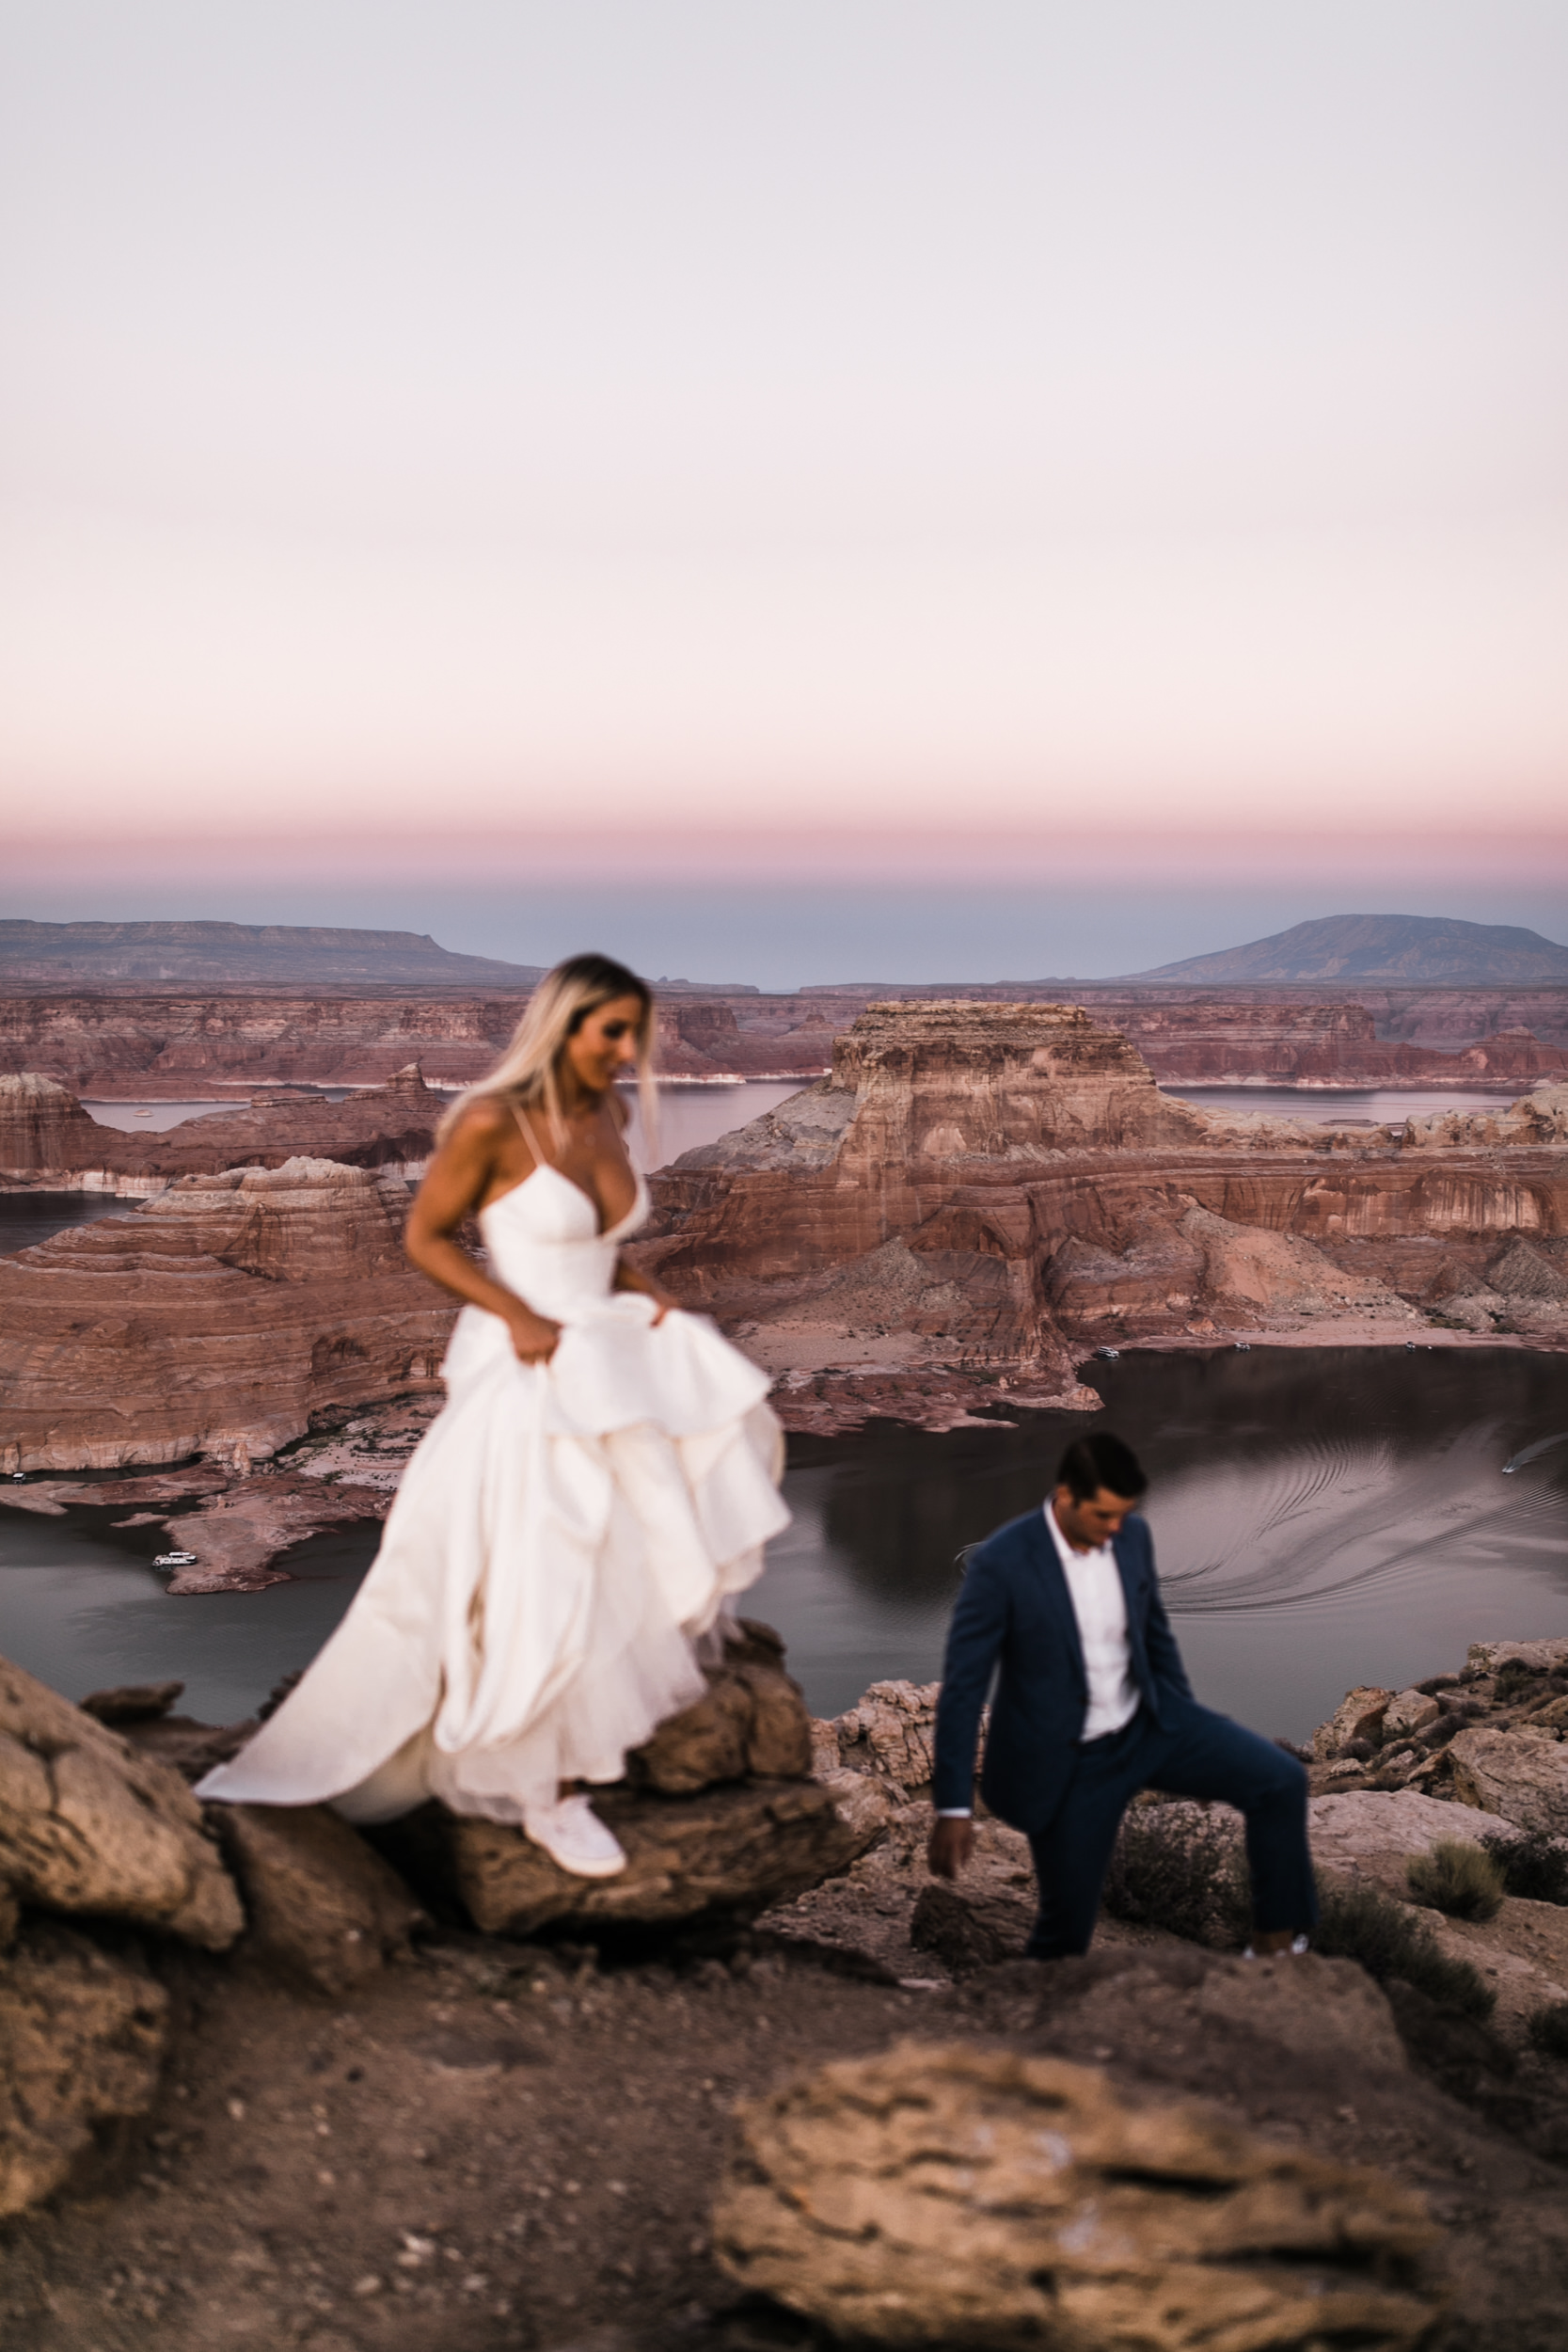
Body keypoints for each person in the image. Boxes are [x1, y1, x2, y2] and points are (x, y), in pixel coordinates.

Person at [198, 953, 789, 1878]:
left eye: (636, 1031)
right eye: (610, 1030)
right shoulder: (488, 1120)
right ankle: (537, 1794)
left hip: (610, 1353)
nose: (628, 1048)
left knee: (619, 1553)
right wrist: (515, 1312)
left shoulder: (609, 1114)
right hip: (530, 1365)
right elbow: (426, 1236)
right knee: (539, 1559)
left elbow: (594, 1242)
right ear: (562, 1026)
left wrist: (646, 1293)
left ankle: (574, 1758)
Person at [928, 1431, 1315, 1959]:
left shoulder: (1132, 1537)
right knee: (1068, 1930)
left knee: (1281, 1782)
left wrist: (1193, 1736)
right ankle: (1035, 2020)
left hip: (1149, 1728)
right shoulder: (1002, 1564)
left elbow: (1156, 1642)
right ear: (1066, 1497)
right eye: (1104, 1516)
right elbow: (963, 1687)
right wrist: (953, 1807)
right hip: (1070, 1763)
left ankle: (1276, 1946)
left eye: (1124, 1515)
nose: (1116, 1530)